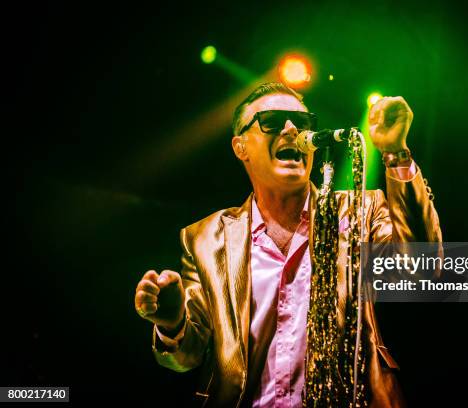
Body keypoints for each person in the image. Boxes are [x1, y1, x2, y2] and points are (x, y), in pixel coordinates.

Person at [134, 82, 442, 407]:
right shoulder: (205, 238)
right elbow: (187, 356)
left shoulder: (359, 212)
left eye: (304, 122)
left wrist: (395, 153)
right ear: (241, 147)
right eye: (273, 121)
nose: (293, 130)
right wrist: (172, 323)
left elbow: (420, 271)